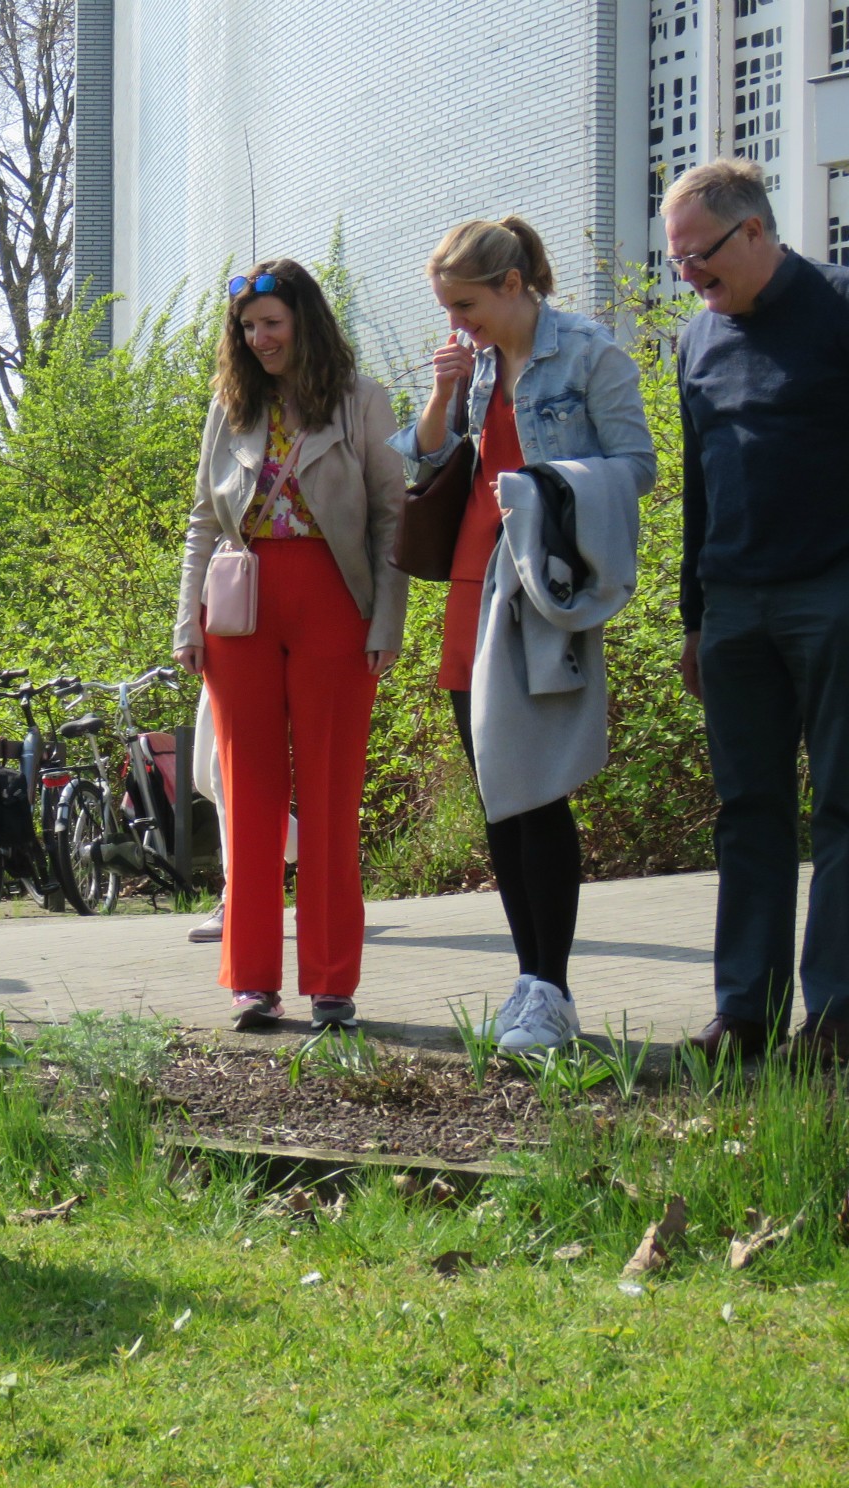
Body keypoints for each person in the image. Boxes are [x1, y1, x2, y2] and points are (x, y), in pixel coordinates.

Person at [391, 218, 655, 1056]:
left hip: (539, 591)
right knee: (499, 794)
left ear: (512, 285)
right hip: (470, 590)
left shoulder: (588, 353)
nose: (456, 323)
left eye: (465, 305)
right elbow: (424, 466)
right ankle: (530, 984)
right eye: (447, 308)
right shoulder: (476, 366)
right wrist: (441, 393)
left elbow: (636, 464)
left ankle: (554, 988)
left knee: (538, 789)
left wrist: (543, 485)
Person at [174, 259, 407, 1031]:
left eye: (271, 323)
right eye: (247, 328)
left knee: (333, 793)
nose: (259, 339)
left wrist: (388, 621)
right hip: (239, 610)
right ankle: (252, 980)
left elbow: (389, 517)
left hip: (336, 603)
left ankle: (334, 979)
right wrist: (186, 623)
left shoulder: (361, 401)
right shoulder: (231, 404)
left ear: (305, 320)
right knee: (250, 799)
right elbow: (204, 521)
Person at [663, 160, 849, 1064]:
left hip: (833, 596)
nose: (691, 282)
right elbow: (700, 490)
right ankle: (746, 1014)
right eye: (679, 269)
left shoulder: (839, 308)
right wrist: (695, 617)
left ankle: (840, 1017)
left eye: (699, 261)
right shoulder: (697, 343)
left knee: (843, 805)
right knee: (749, 810)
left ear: (755, 233)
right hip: (734, 607)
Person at [186, 683, 296, 944]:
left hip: (248, 649)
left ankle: (237, 902)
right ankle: (316, 854)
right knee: (205, 780)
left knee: (226, 774)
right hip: (214, 651)